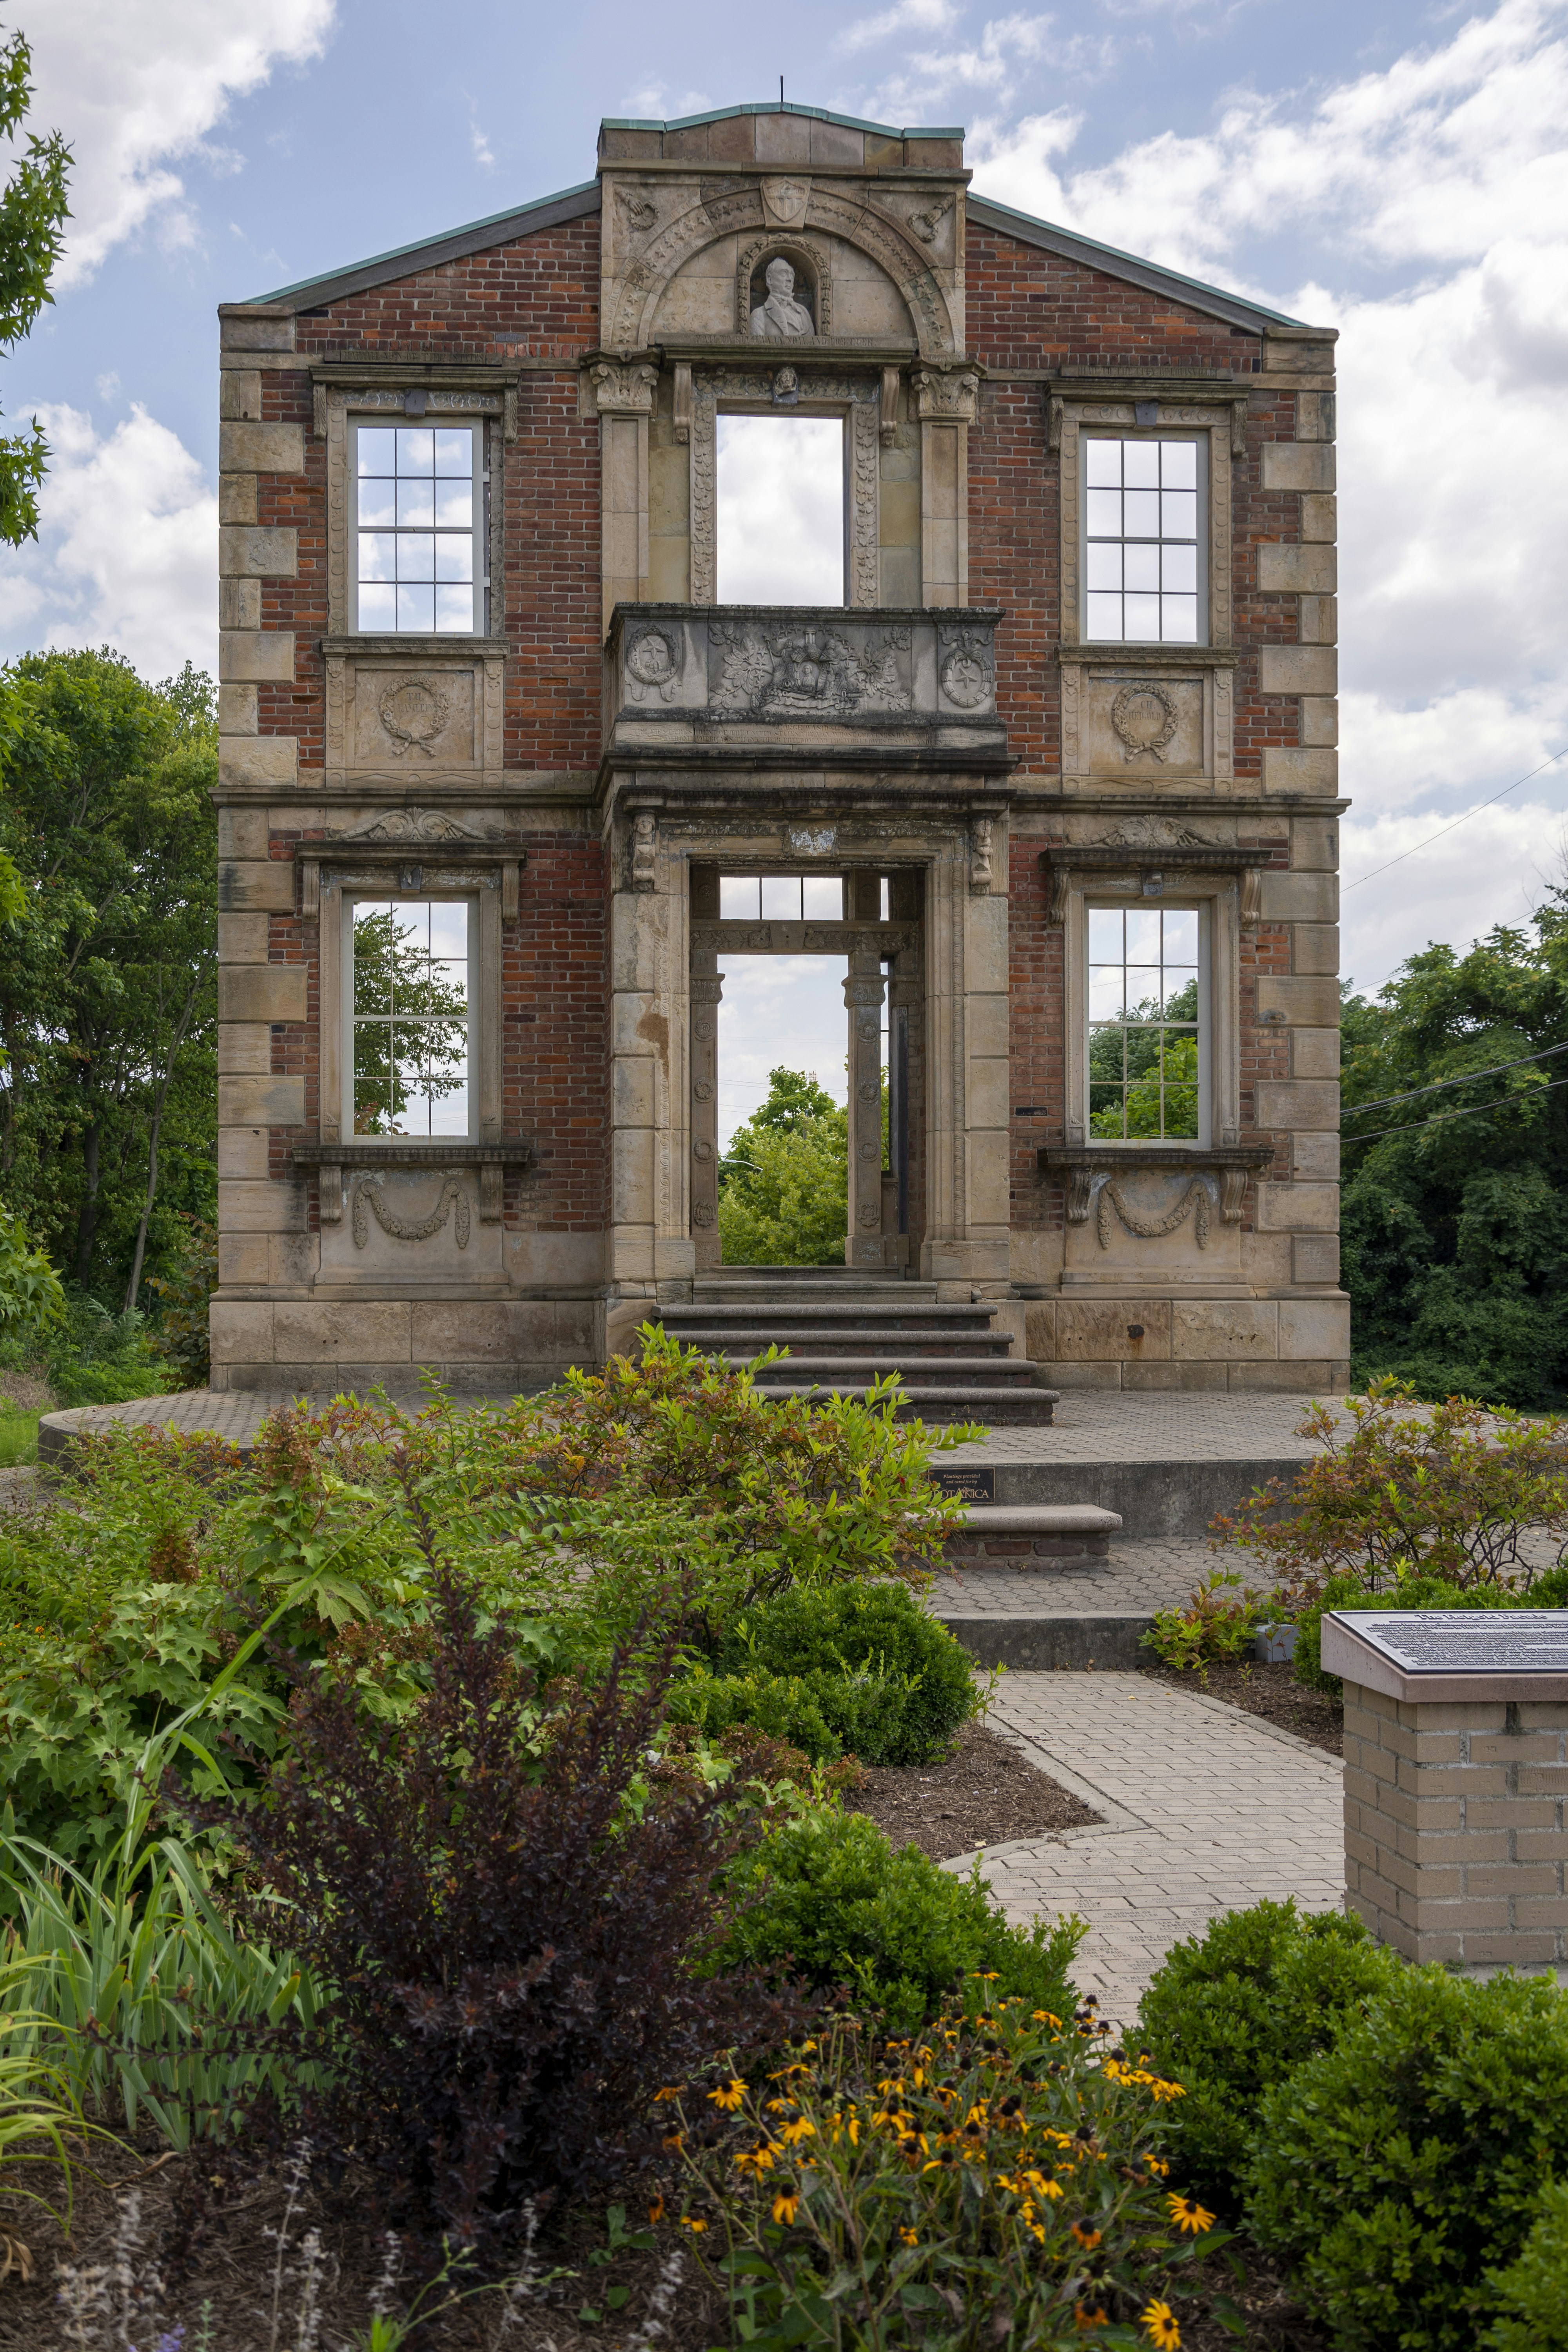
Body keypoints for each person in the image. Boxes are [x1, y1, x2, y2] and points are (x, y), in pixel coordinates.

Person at [750, 256, 814, 338]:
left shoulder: (803, 312)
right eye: (784, 274)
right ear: (770, 279)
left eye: (792, 276)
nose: (790, 279)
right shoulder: (759, 315)